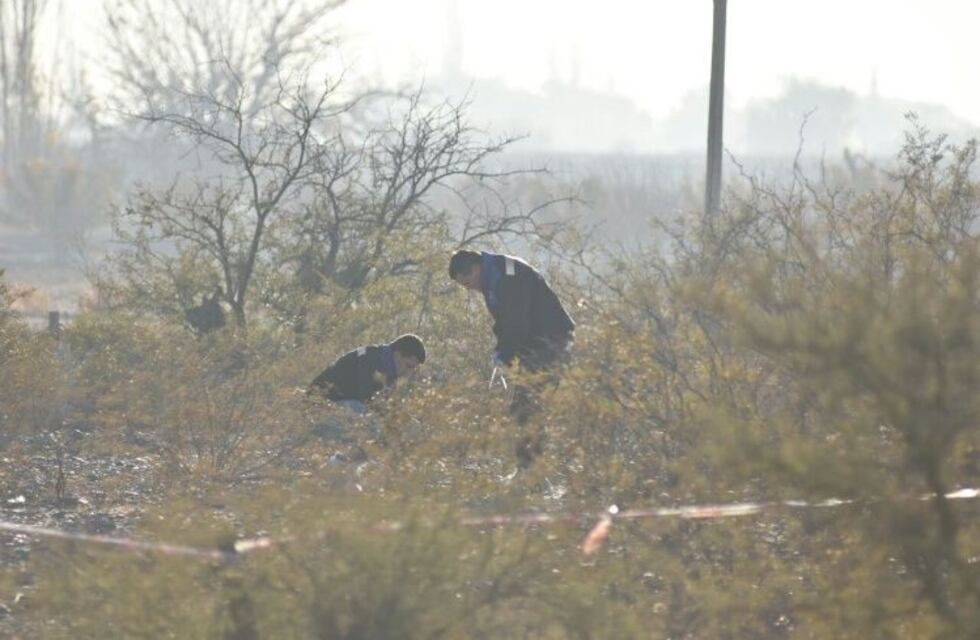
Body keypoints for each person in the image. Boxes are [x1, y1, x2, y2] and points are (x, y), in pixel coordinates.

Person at [449, 250, 575, 465]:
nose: (471, 289)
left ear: (476, 268)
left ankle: (530, 472)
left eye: (469, 283)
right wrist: (502, 353)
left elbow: (516, 324)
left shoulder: (507, 275)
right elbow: (505, 324)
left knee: (526, 408)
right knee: (523, 407)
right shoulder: (495, 275)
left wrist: (504, 356)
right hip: (537, 345)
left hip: (551, 343)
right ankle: (529, 469)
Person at [308, 334, 426, 414]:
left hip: (341, 406)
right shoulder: (370, 358)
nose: (408, 373)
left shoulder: (389, 372)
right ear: (397, 354)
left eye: (413, 369)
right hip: (318, 405)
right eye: (408, 366)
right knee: (361, 411)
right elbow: (365, 398)